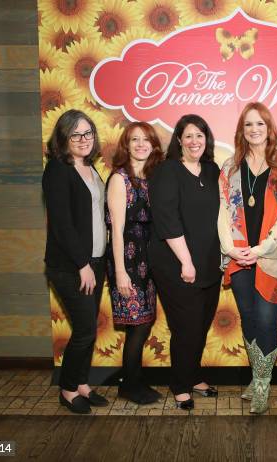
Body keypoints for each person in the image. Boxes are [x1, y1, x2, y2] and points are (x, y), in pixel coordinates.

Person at [218, 102, 277, 414]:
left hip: (273, 257)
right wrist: (230, 248)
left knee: (267, 321)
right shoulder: (229, 167)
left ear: (270, 129)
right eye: (248, 124)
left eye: (260, 124)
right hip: (239, 257)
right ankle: (257, 377)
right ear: (242, 130)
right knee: (250, 319)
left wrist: (261, 249)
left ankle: (263, 385)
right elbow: (223, 212)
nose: (254, 130)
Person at [148, 114, 222, 410]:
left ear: (207, 140)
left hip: (209, 263)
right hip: (176, 263)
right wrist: (186, 262)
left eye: (200, 136)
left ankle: (192, 376)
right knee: (186, 327)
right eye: (188, 136)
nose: (194, 141)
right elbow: (167, 221)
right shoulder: (167, 171)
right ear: (179, 139)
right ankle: (179, 384)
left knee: (202, 324)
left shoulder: (212, 170)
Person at [43, 109, 109, 414]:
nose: (83, 140)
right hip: (71, 266)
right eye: (76, 134)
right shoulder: (57, 170)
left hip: (94, 263)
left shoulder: (90, 167)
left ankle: (82, 383)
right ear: (63, 138)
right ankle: (68, 389)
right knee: (84, 329)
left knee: (89, 328)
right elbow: (62, 224)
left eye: (88, 133)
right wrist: (82, 264)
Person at [105, 122, 163, 404]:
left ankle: (135, 381)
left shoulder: (152, 177)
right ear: (126, 145)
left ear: (153, 145)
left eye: (146, 140)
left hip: (147, 259)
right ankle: (129, 385)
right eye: (134, 140)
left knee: (143, 322)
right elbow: (116, 229)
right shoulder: (120, 179)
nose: (140, 144)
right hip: (127, 259)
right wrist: (120, 273)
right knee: (136, 326)